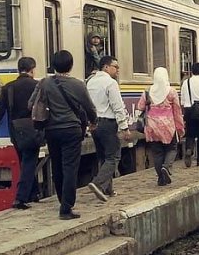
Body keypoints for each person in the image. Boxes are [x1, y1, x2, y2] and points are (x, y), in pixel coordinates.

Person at [35, 50, 98, 220]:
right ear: (71, 65)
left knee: (57, 166)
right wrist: (93, 121)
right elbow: (89, 107)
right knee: (70, 167)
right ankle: (66, 208)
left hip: (51, 130)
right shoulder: (78, 85)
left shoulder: (44, 83)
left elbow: (31, 104)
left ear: (53, 65)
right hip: (71, 129)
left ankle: (62, 200)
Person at [0, 56, 40, 209]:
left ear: (19, 69)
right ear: (32, 69)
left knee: (24, 161)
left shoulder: (8, 87)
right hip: (32, 128)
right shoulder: (37, 86)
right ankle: (21, 198)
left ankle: (33, 193)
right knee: (30, 162)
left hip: (15, 131)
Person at [86, 55, 131, 202]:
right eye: (115, 67)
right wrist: (124, 127)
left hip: (94, 124)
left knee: (103, 157)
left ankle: (108, 189)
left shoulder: (90, 82)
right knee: (113, 157)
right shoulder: (110, 83)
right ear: (106, 67)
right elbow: (117, 106)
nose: (118, 70)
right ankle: (98, 183)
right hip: (107, 123)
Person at [138, 67, 185, 186]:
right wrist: (180, 128)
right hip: (168, 126)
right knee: (172, 148)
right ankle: (166, 167)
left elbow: (140, 107)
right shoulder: (171, 91)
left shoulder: (148, 91)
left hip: (152, 126)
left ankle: (161, 179)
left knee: (157, 152)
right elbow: (177, 111)